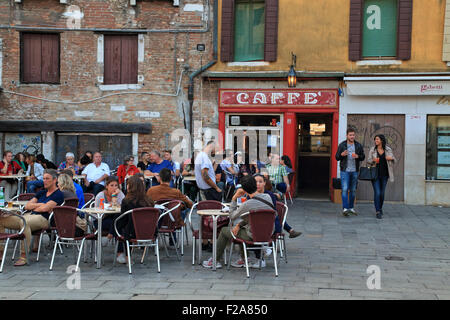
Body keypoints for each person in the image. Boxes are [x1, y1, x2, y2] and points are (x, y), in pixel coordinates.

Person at [202, 175, 274, 269]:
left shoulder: (247, 204)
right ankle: (244, 258)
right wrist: (240, 225)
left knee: (224, 231)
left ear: (244, 189)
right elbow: (257, 218)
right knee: (238, 228)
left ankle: (215, 261)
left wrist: (234, 198)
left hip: (253, 235)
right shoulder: (268, 197)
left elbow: (232, 216)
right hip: (268, 234)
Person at [0, 169, 64, 266]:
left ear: (55, 180)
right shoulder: (42, 192)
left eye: (47, 179)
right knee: (2, 220)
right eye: (43, 178)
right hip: (30, 215)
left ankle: (23, 256)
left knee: (24, 222)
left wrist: (39, 206)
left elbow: (45, 209)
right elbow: (27, 206)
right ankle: (0, 252)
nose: (44, 181)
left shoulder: (58, 194)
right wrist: (41, 204)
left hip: (44, 219)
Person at [113, 175, 155, 264]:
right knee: (127, 226)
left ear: (130, 186)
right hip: (150, 232)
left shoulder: (126, 201)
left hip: (132, 233)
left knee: (121, 226)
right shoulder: (149, 200)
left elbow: (123, 220)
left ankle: (127, 257)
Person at [254, 174, 301, 238]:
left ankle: (290, 230)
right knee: (275, 214)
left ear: (265, 182)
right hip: (262, 222)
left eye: (260, 181)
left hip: (269, 224)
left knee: (273, 214)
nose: (258, 184)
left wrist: (276, 195)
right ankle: (290, 230)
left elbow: (280, 194)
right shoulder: (251, 194)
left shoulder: (270, 190)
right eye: (256, 182)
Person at [335, 128, 365, 216]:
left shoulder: (358, 145)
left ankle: (351, 208)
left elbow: (363, 157)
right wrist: (341, 155)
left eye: (353, 135)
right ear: (347, 135)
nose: (352, 136)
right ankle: (345, 208)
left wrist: (358, 156)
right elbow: (336, 157)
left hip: (355, 171)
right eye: (350, 135)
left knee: (353, 190)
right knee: (344, 189)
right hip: (345, 171)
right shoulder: (342, 145)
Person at [368, 134, 396, 219]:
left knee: (382, 193)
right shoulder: (372, 150)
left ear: (382, 141)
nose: (376, 141)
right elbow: (368, 161)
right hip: (375, 175)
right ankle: (377, 211)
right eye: (375, 139)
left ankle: (380, 208)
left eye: (377, 139)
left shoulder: (388, 149)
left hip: (385, 175)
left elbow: (394, 159)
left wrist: (390, 158)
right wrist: (373, 160)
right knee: (378, 192)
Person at [95, 176, 125, 241]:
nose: (114, 188)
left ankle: (111, 232)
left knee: (119, 221)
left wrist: (115, 196)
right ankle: (120, 250)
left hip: (114, 218)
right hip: (100, 220)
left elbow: (123, 206)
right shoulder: (101, 195)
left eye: (116, 185)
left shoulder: (119, 194)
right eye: (111, 185)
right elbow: (98, 211)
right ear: (106, 186)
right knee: (119, 225)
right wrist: (113, 200)